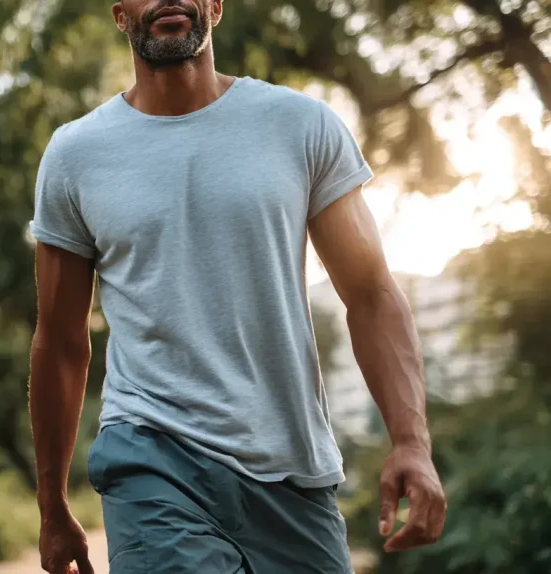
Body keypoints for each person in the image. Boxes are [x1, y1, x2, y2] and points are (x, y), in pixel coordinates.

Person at [26, 0, 448, 572]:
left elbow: (371, 294)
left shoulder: (300, 126)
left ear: (216, 5)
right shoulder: (76, 156)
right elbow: (60, 339)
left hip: (293, 473)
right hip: (152, 457)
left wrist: (411, 442)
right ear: (119, 12)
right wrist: (51, 506)